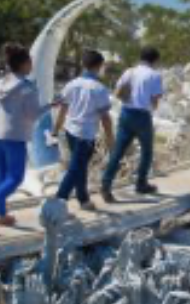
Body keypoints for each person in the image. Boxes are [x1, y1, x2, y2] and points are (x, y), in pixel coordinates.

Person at [0, 43, 41, 236]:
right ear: (25, 63)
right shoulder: (28, 87)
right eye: (30, 62)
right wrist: (51, 105)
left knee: (1, 176)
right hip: (15, 136)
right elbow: (33, 114)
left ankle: (2, 215)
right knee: (15, 177)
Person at [51, 49, 115, 210]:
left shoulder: (71, 84)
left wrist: (55, 129)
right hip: (85, 135)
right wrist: (111, 140)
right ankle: (57, 202)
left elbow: (63, 109)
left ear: (83, 64)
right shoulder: (99, 89)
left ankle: (83, 199)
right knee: (75, 169)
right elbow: (105, 119)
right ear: (99, 66)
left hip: (70, 131)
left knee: (79, 167)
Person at [101, 46, 164, 202]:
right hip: (142, 116)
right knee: (147, 151)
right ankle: (141, 183)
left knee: (118, 151)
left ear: (141, 57)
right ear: (154, 60)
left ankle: (106, 185)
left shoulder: (129, 71)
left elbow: (116, 93)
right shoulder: (154, 75)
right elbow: (155, 102)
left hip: (126, 113)